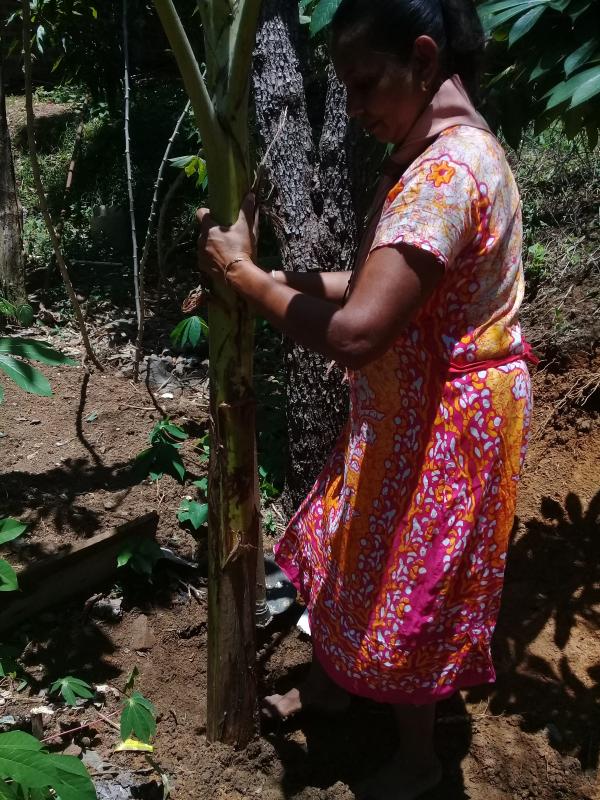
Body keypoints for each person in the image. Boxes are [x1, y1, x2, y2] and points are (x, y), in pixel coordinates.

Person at [197, 0, 535, 796]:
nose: (354, 109)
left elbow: (357, 331)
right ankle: (331, 690)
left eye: (364, 84)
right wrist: (267, 284)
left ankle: (418, 763)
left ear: (423, 60)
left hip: (444, 427)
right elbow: (379, 289)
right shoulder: (448, 152)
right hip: (410, 411)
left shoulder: (446, 174)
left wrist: (245, 280)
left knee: (409, 584)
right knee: (352, 548)